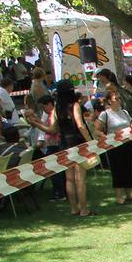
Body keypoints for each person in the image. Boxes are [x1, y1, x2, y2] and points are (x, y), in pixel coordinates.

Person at [53, 80, 92, 216]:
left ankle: (74, 208)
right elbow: (80, 125)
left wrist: (35, 123)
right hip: (77, 142)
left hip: (64, 143)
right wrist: (90, 142)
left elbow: (53, 128)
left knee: (69, 179)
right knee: (80, 178)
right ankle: (84, 210)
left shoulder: (56, 108)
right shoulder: (75, 105)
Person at [93, 88, 132, 204]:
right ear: (109, 101)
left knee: (129, 168)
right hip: (114, 146)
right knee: (118, 170)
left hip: (127, 144)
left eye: (119, 98)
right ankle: (119, 196)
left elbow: (131, 126)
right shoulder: (105, 114)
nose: (119, 100)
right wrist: (105, 137)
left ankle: (129, 194)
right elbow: (97, 130)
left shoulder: (125, 112)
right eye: (116, 98)